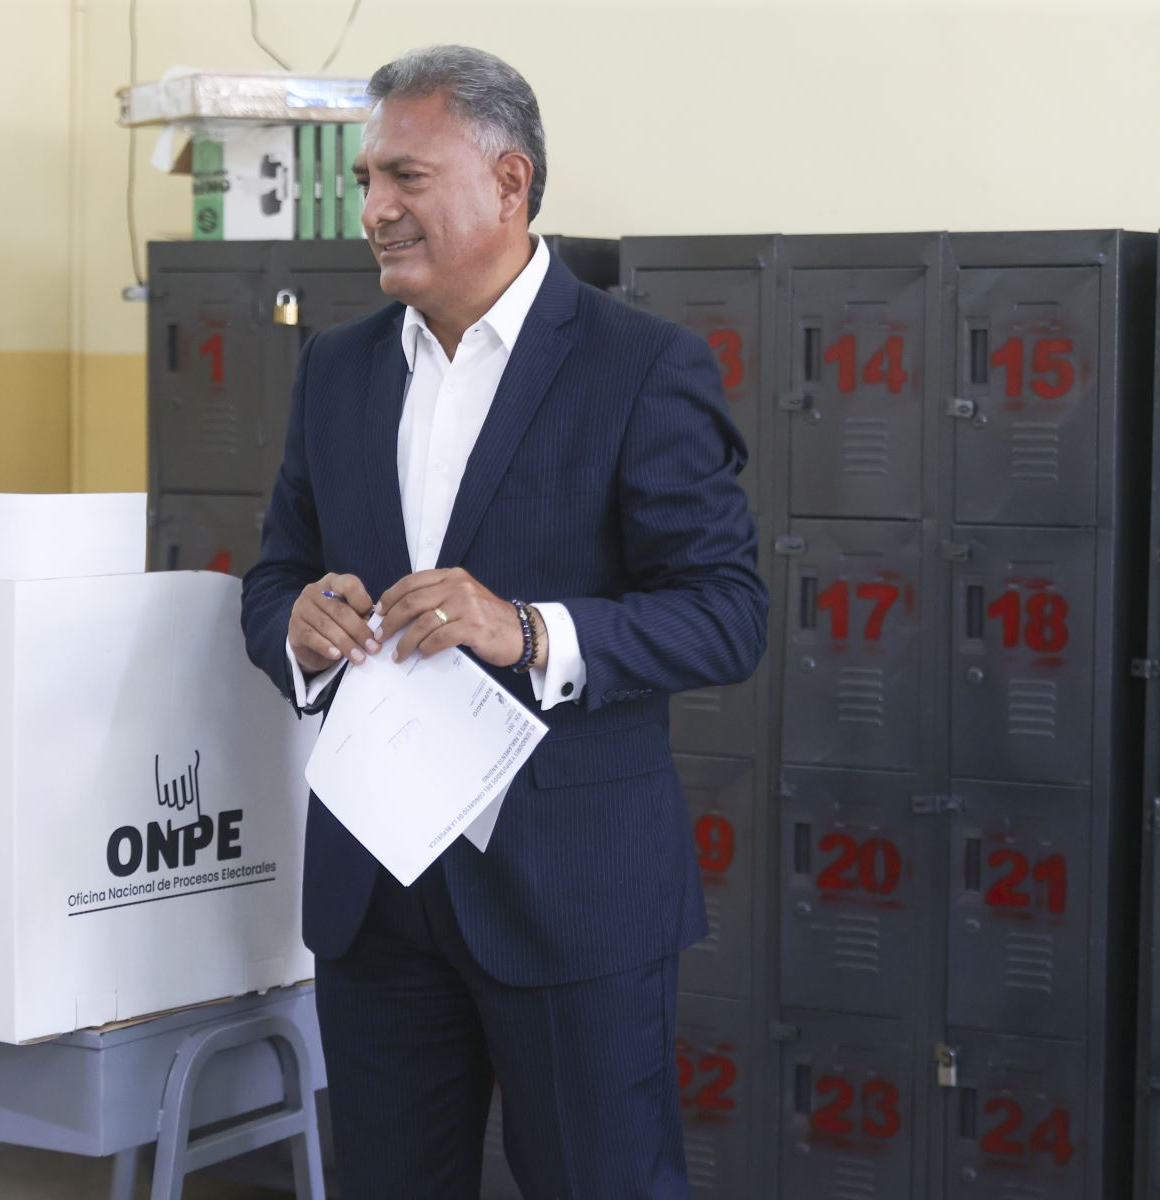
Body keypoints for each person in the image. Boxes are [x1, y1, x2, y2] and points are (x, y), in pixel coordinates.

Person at [240, 44, 766, 1199]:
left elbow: (727, 613)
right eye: (367, 179)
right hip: (376, 897)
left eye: (406, 177)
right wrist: (298, 627)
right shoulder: (336, 370)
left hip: (572, 896)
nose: (373, 209)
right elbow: (273, 576)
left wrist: (527, 630)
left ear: (510, 183)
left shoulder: (642, 368)